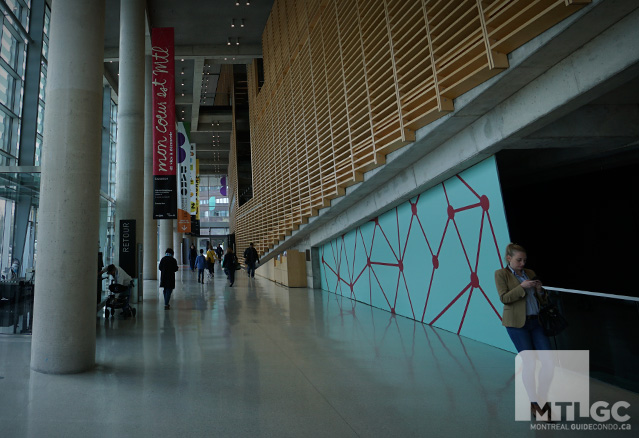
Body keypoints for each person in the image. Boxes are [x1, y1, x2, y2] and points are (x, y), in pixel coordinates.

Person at [495, 243, 554, 420]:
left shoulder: (530, 273)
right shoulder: (501, 274)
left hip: (536, 323)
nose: (522, 263)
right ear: (509, 258)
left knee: (549, 362)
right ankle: (534, 403)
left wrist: (539, 290)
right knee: (529, 363)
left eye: (524, 260)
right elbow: (504, 298)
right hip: (516, 325)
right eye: (518, 260)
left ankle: (542, 397)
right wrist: (522, 287)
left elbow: (542, 300)